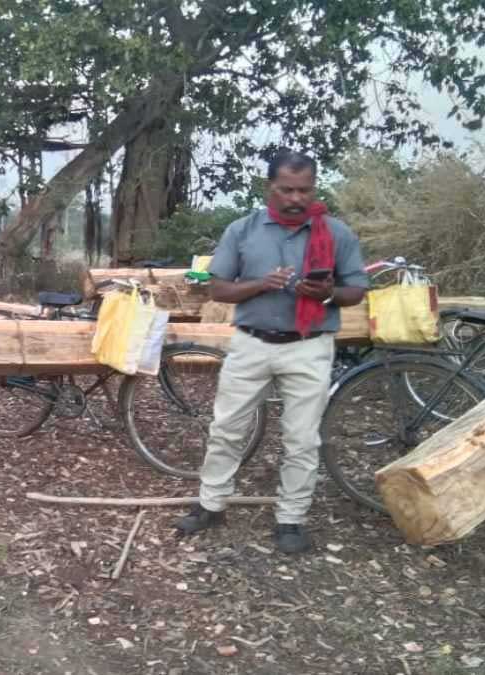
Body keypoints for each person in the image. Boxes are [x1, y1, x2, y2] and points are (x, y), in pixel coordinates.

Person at [174, 150, 368, 554]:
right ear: (269, 188)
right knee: (227, 429)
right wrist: (262, 284)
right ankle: (211, 505)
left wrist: (327, 292)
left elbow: (356, 291)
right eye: (287, 190)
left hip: (310, 346)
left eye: (305, 190)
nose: (296, 199)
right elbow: (218, 288)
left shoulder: (336, 234)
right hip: (251, 344)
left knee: (302, 439)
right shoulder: (242, 230)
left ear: (314, 187)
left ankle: (291, 519)